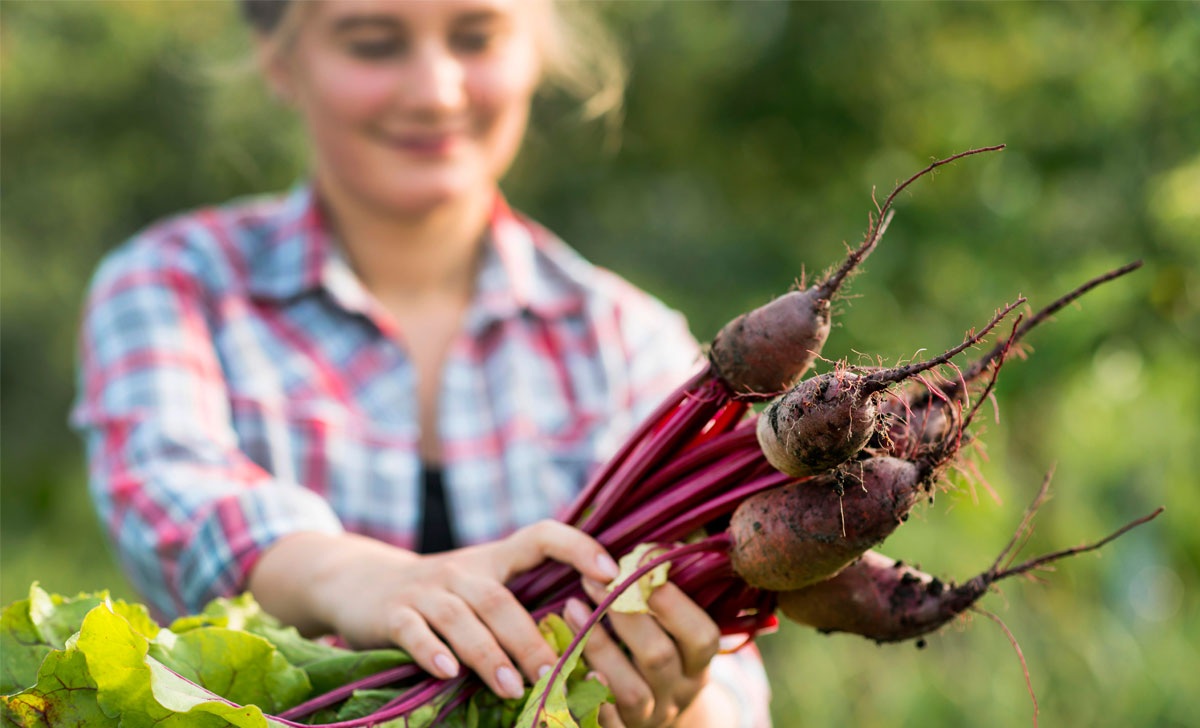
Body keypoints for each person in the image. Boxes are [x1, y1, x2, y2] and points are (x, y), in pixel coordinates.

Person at [71, 1, 770, 726]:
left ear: (534, 50)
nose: (436, 90)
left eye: (477, 38)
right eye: (374, 44)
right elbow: (173, 497)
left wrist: (683, 703)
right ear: (282, 61)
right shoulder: (175, 284)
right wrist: (362, 580)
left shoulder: (630, 340)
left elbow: (733, 683)